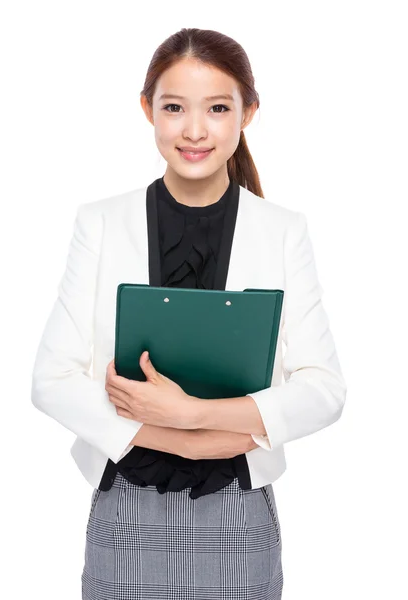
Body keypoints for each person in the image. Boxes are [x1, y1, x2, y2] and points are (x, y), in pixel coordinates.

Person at [31, 27, 347, 600]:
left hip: (239, 513)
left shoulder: (282, 232)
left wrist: (196, 412)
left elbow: (324, 390)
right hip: (127, 503)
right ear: (147, 108)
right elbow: (51, 381)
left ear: (248, 112)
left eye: (218, 108)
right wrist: (182, 436)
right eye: (174, 107)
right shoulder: (101, 223)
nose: (195, 130)